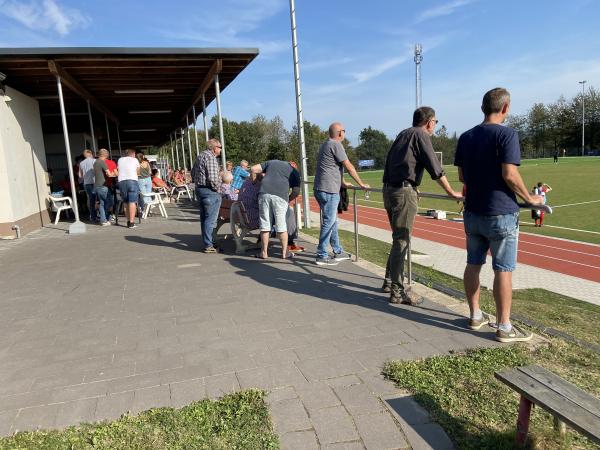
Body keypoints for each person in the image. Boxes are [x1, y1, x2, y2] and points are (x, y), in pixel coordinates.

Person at [454, 87, 543, 343]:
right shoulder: (507, 135)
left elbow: (462, 176)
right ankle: (504, 327)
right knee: (503, 269)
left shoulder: (466, 137)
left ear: (483, 108)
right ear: (505, 108)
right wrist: (529, 198)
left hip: (473, 212)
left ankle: (475, 315)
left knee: (473, 263)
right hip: (501, 212)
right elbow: (510, 174)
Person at [381, 107, 462, 305]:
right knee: (402, 241)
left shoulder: (403, 134)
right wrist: (452, 193)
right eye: (435, 121)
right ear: (428, 122)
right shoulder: (421, 135)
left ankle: (390, 281)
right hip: (402, 192)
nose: (435, 125)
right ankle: (398, 291)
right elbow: (435, 168)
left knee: (398, 239)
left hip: (389, 190)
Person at [314, 122, 369, 266]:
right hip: (329, 190)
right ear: (340, 133)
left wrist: (343, 183)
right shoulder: (336, 144)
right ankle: (321, 254)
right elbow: (348, 166)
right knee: (329, 222)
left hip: (321, 188)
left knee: (332, 221)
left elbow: (332, 168)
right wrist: (361, 184)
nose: (345, 133)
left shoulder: (326, 144)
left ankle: (337, 251)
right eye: (344, 131)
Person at [251, 160, 301, 259]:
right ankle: (284, 253)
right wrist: (287, 199)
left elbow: (253, 169)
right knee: (281, 225)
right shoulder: (294, 172)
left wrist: (257, 180)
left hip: (264, 194)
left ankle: (264, 253)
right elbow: (295, 192)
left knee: (265, 225)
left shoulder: (272, 162)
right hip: (281, 196)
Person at [191, 138, 223, 253]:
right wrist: (218, 189)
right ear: (214, 148)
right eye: (220, 147)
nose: (221, 150)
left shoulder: (200, 156)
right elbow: (213, 178)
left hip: (200, 190)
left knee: (204, 218)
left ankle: (208, 242)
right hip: (210, 191)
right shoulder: (211, 157)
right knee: (211, 220)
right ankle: (209, 245)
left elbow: (193, 172)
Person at [117, 148, 141, 229]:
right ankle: (131, 222)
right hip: (132, 181)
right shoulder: (135, 160)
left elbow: (118, 170)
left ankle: (128, 221)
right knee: (132, 202)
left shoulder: (120, 160)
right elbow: (138, 172)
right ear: (133, 154)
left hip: (122, 181)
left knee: (125, 202)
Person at [93, 149, 116, 226]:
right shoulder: (102, 162)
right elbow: (109, 174)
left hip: (97, 185)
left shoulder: (95, 162)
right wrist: (116, 173)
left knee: (103, 203)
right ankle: (104, 220)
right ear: (106, 155)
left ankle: (104, 219)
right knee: (106, 203)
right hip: (103, 185)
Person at [78, 149, 97, 222]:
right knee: (98, 200)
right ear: (91, 154)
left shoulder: (81, 163)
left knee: (91, 200)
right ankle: (101, 216)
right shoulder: (94, 161)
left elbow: (80, 175)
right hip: (95, 182)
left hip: (86, 183)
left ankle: (93, 217)